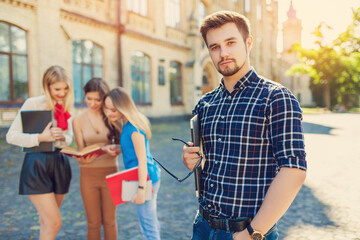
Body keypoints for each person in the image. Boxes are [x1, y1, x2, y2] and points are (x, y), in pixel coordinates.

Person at [182, 11, 307, 240]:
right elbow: (209, 162)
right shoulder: (205, 103)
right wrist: (192, 157)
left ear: (248, 43)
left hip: (248, 231)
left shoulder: (276, 97)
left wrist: (252, 233)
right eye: (214, 47)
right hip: (203, 226)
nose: (223, 53)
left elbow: (293, 170)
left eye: (230, 43)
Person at [6, 65, 74, 239]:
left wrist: (61, 136)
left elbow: (69, 137)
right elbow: (11, 136)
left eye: (65, 89)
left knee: (46, 222)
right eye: (57, 89)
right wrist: (40, 137)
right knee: (54, 222)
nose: (62, 93)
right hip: (37, 164)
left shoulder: (64, 106)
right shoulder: (33, 103)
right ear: (47, 86)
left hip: (59, 163)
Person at [103, 87, 161, 240]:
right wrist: (120, 148)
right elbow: (135, 150)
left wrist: (141, 190)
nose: (109, 113)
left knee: (148, 224)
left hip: (145, 178)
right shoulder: (128, 123)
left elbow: (142, 160)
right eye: (107, 109)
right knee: (149, 220)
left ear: (123, 107)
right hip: (143, 175)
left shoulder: (133, 127)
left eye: (113, 110)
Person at [72, 78, 120, 240]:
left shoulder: (112, 115)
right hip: (88, 175)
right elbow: (81, 151)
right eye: (89, 98)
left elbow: (123, 146)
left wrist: (116, 149)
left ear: (104, 98)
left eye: (97, 99)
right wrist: (83, 156)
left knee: (110, 221)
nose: (92, 103)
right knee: (93, 222)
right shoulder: (77, 120)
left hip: (111, 173)